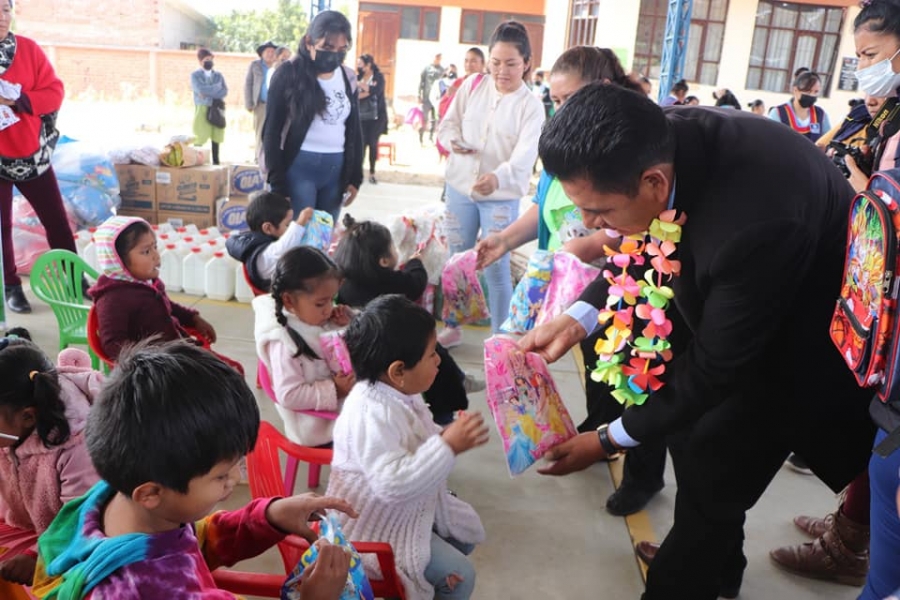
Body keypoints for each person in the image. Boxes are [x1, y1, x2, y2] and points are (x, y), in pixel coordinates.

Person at [520, 83, 875, 600]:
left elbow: (716, 367)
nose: (591, 228)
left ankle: (688, 571)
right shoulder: (657, 137)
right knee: (689, 440)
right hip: (727, 304)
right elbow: (641, 241)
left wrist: (607, 438)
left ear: (654, 183)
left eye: (599, 212)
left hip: (794, 343)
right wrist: (582, 315)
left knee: (714, 475)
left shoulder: (756, 220)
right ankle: (718, 565)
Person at [476, 45, 668, 516]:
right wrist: (505, 240)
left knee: (640, 372)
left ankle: (640, 471)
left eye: (569, 99)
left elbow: (639, 232)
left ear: (601, 91)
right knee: (600, 367)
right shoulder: (567, 146)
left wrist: (594, 243)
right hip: (578, 283)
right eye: (556, 100)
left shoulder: (625, 152)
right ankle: (600, 431)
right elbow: (543, 207)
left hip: (631, 283)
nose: (560, 109)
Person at [31, 340, 357, 599]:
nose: (236, 479)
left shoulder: (106, 500)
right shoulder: (154, 589)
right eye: (221, 475)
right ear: (151, 493)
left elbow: (192, 537)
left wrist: (268, 517)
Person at [326, 294, 489, 600]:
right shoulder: (370, 411)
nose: (439, 360)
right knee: (461, 576)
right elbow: (391, 484)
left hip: (402, 510)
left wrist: (446, 435)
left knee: (464, 537)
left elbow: (414, 439)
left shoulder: (398, 393)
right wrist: (446, 446)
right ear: (398, 371)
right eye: (432, 354)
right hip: (372, 528)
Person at [435, 21, 545, 345]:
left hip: (500, 197)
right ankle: (453, 326)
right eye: (495, 63)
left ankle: (501, 338)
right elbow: (447, 125)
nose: (501, 71)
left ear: (527, 63)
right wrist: (453, 142)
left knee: (497, 266)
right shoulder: (472, 86)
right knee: (457, 259)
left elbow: (525, 156)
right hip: (460, 188)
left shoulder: (531, 106)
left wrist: (498, 177)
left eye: (511, 64)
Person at [333, 214, 481, 424]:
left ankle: (457, 383)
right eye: (393, 247)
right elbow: (416, 283)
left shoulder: (344, 284)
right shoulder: (387, 280)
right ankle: (450, 405)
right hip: (400, 349)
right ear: (384, 261)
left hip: (372, 355)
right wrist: (415, 262)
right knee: (436, 360)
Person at [0, 334, 100, 586]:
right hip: (24, 526)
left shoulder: (78, 445)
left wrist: (38, 556)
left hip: (68, 543)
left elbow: (83, 520)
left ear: (28, 417)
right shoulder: (11, 429)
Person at [0, 0, 76, 315]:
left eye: (6, 9)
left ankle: (73, 277)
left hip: (31, 152)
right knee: (1, 227)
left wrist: (17, 99)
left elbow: (54, 92)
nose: (2, 16)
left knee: (56, 219)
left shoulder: (28, 50)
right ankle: (11, 287)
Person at [263, 10, 363, 223]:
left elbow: (355, 129)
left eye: (342, 49)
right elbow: (271, 131)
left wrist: (355, 176)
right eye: (327, 48)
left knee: (324, 234)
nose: (334, 55)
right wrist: (278, 183)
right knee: (299, 235)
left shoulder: (348, 77)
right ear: (309, 42)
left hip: (336, 170)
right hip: (299, 168)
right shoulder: (288, 74)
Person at [253, 246, 355, 448]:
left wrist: (346, 322)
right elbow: (288, 395)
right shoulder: (284, 341)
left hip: (343, 404)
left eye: (332, 300)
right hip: (318, 426)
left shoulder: (311, 315)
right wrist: (335, 390)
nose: (329, 310)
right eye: (321, 304)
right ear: (288, 300)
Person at [88, 216, 219, 363]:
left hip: (176, 352)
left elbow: (168, 306)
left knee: (230, 369)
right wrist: (150, 362)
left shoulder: (148, 283)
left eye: (155, 247)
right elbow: (112, 344)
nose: (156, 256)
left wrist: (194, 319)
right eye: (146, 252)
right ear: (118, 260)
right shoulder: (113, 298)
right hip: (156, 367)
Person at [225, 190, 314, 292]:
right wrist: (300, 222)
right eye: (287, 224)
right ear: (268, 228)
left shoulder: (264, 243)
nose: (290, 228)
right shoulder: (263, 255)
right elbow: (283, 247)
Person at [768, 70, 831, 143]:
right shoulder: (778, 113)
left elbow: (828, 141)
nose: (812, 95)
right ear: (795, 90)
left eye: (816, 92)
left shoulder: (821, 114)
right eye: (808, 91)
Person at [190, 48, 227, 166]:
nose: (209, 61)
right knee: (199, 134)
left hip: (217, 107)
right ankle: (196, 161)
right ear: (200, 61)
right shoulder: (195, 75)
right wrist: (216, 88)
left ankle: (216, 161)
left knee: (217, 134)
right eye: (206, 59)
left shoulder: (218, 75)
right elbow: (199, 89)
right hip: (202, 108)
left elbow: (224, 91)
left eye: (211, 59)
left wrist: (207, 93)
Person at [356, 54, 387, 185]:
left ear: (368, 65)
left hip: (376, 117)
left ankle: (372, 172)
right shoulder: (358, 77)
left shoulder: (378, 77)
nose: (358, 66)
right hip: (362, 116)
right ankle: (359, 173)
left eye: (360, 64)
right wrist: (367, 90)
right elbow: (355, 94)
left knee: (373, 144)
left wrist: (362, 87)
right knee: (361, 145)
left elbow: (376, 91)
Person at [245, 40, 278, 156]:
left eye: (273, 51)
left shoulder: (279, 66)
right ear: (262, 54)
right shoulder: (255, 65)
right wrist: (249, 103)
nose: (270, 54)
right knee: (260, 131)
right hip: (261, 104)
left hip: (276, 105)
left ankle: (270, 157)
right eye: (267, 51)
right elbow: (248, 84)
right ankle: (258, 156)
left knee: (274, 132)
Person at [418, 53, 444, 145]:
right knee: (424, 118)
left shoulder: (442, 70)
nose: (437, 59)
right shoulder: (427, 69)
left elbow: (443, 84)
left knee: (434, 119)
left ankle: (431, 137)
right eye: (436, 57)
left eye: (439, 58)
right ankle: (421, 137)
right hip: (426, 98)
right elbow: (421, 82)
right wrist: (419, 95)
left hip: (437, 99)